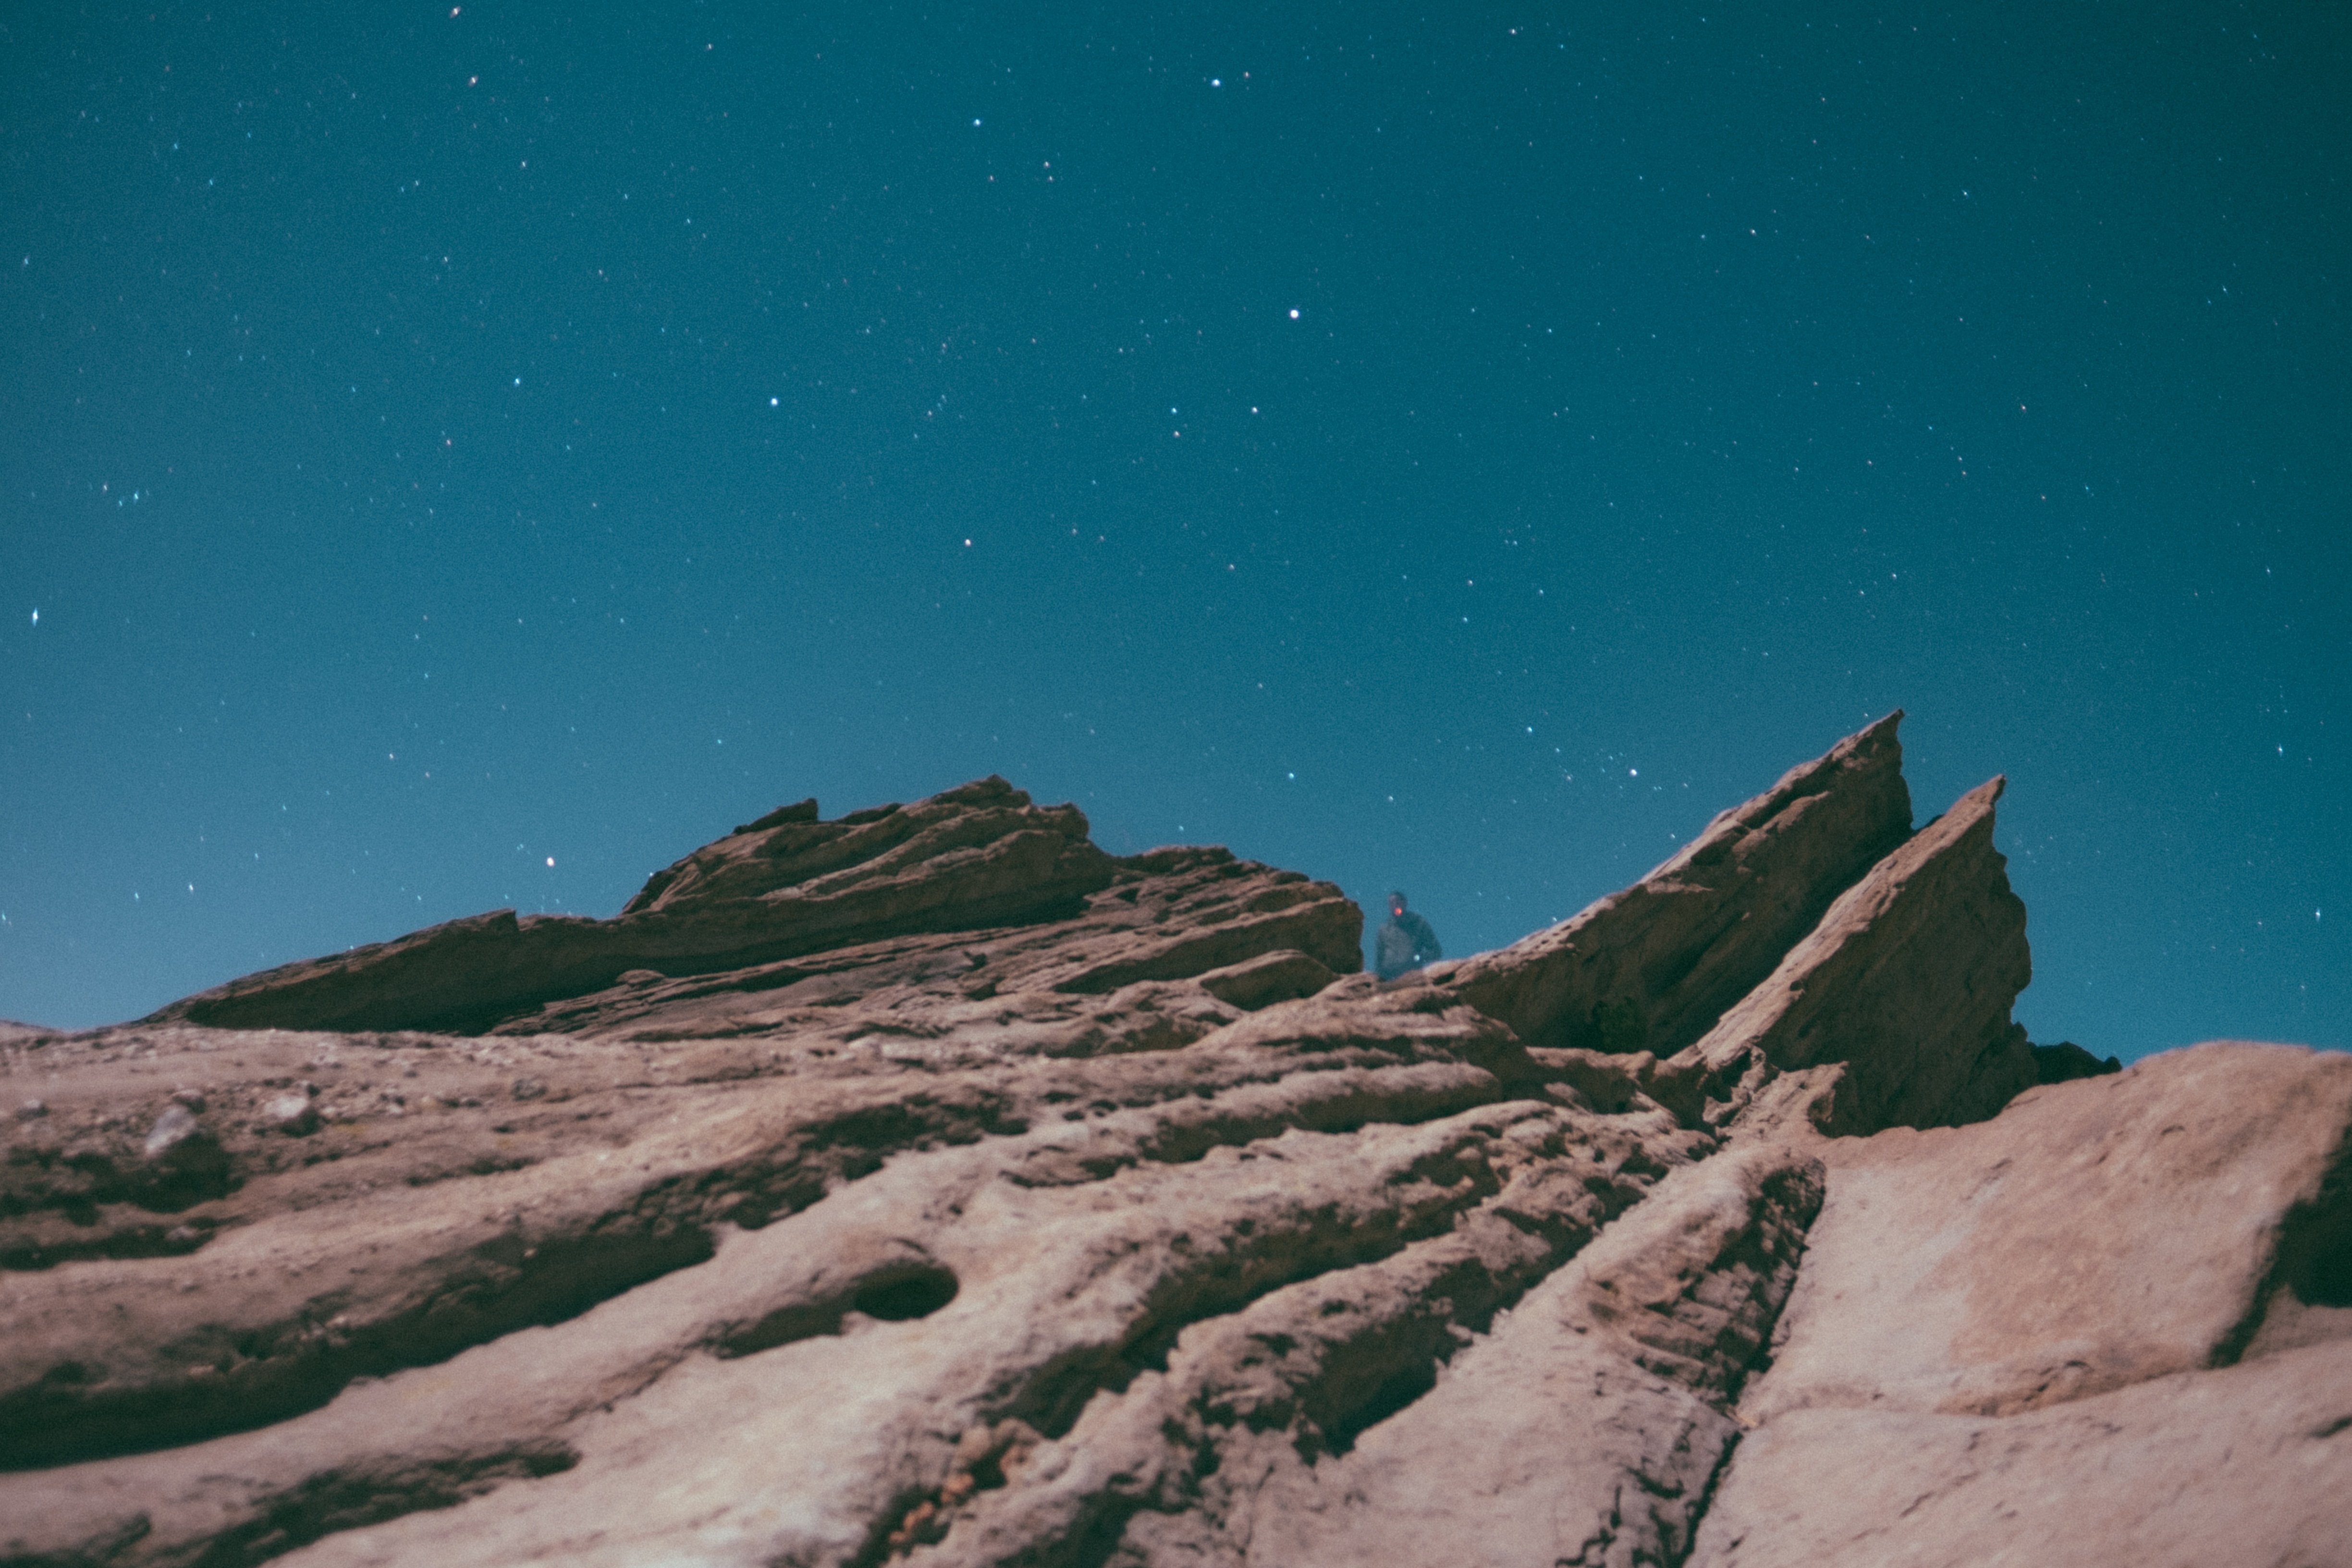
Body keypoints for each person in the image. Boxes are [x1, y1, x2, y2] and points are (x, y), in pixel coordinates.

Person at [1374, 891, 1442, 980]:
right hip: (1389, 979)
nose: (1395, 905)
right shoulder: (1384, 930)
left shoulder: (1418, 924)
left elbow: (1436, 951)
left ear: (1404, 903)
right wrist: (1378, 977)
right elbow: (1380, 957)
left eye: (1398, 902)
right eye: (1391, 903)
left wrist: (1418, 958)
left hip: (1412, 977)